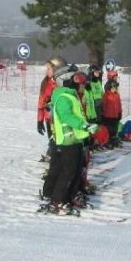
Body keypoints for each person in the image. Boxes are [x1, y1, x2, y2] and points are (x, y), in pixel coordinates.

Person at [41, 70, 98, 214]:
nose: (80, 83)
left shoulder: (70, 96)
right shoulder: (63, 97)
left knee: (76, 170)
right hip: (67, 141)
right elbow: (67, 116)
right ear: (67, 80)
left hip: (75, 139)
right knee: (68, 172)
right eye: (76, 79)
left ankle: (68, 196)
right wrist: (83, 125)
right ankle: (58, 200)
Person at [37, 56, 65, 162]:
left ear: (57, 68)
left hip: (61, 118)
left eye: (49, 68)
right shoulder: (45, 83)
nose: (47, 71)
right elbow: (41, 102)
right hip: (49, 118)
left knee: (60, 140)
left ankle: (56, 157)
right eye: (46, 68)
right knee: (52, 139)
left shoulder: (62, 83)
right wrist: (39, 121)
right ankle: (53, 157)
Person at [101, 79, 123, 148]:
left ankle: (113, 139)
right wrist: (103, 114)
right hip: (108, 116)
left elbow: (119, 105)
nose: (115, 89)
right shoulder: (106, 95)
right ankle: (108, 140)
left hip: (115, 115)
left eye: (116, 88)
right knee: (109, 129)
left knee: (114, 129)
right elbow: (104, 105)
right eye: (113, 88)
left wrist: (120, 113)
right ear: (109, 87)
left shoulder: (117, 95)